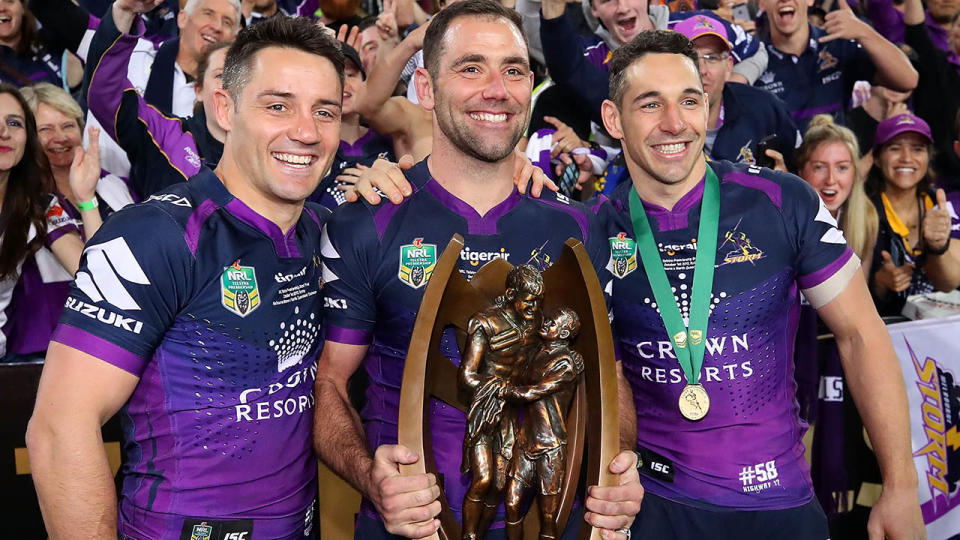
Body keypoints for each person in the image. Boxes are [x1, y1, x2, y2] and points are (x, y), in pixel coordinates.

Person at [313, 2, 643, 539]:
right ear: (424, 87)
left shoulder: (577, 227)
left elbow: (610, 376)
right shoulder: (365, 224)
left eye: (514, 70)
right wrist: (371, 479)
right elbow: (328, 382)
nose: (497, 89)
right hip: (408, 529)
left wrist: (617, 462)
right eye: (471, 68)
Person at [597, 30, 924, 537]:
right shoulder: (591, 229)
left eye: (688, 100)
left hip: (778, 504)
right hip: (654, 509)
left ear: (707, 108)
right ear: (613, 119)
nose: (673, 123)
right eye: (649, 104)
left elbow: (861, 334)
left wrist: (901, 488)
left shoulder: (782, 200)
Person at [26, 16, 343, 538]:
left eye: (324, 111)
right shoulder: (153, 235)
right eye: (278, 105)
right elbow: (60, 432)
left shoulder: (323, 231)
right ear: (223, 108)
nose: (306, 131)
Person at [8, 83, 120, 363]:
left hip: (113, 338)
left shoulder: (116, 184)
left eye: (68, 125)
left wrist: (86, 199)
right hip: (39, 345)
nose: (60, 137)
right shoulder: (28, 200)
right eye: (45, 129)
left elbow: (93, 270)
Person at [83, 0, 230, 198]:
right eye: (221, 75)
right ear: (199, 90)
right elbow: (105, 93)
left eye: (240, 76)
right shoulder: (167, 135)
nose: (231, 85)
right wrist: (125, 11)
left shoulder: (269, 150)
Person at [0, 84, 86, 362]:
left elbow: (90, 272)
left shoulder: (38, 204)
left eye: (14, 123)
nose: (4, 132)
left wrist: (86, 199)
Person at [755, 0, 917, 131]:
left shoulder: (838, 45)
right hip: (780, 169)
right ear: (761, 3)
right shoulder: (753, 57)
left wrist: (864, 32)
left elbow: (907, 80)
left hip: (832, 167)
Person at [674, 13, 801, 167]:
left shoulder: (766, 109)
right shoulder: (661, 125)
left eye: (711, 57)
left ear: (728, 66)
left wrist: (787, 183)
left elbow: (801, 167)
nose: (702, 69)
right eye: (691, 58)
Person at [866, 112, 960, 316]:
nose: (907, 158)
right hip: (888, 330)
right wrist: (879, 283)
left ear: (928, 157)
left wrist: (938, 247)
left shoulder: (943, 204)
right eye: (895, 148)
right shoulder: (863, 212)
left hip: (942, 329)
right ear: (876, 158)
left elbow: (949, 283)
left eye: (917, 149)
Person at [502, 306, 584, 540]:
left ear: (565, 334)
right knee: (511, 501)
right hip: (526, 440)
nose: (546, 323)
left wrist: (508, 391)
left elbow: (537, 391)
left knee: (548, 515)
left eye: (553, 322)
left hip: (551, 445)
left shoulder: (566, 362)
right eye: (548, 319)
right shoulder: (536, 353)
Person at [308, 42, 395, 210]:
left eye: (351, 74)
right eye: (336, 75)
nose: (344, 84)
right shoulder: (309, 144)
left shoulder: (389, 141)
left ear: (365, 82)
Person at [795, 114, 877, 273]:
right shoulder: (784, 223)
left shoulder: (867, 217)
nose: (831, 179)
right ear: (801, 172)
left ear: (854, 172)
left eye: (842, 168)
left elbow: (860, 295)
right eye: (819, 167)